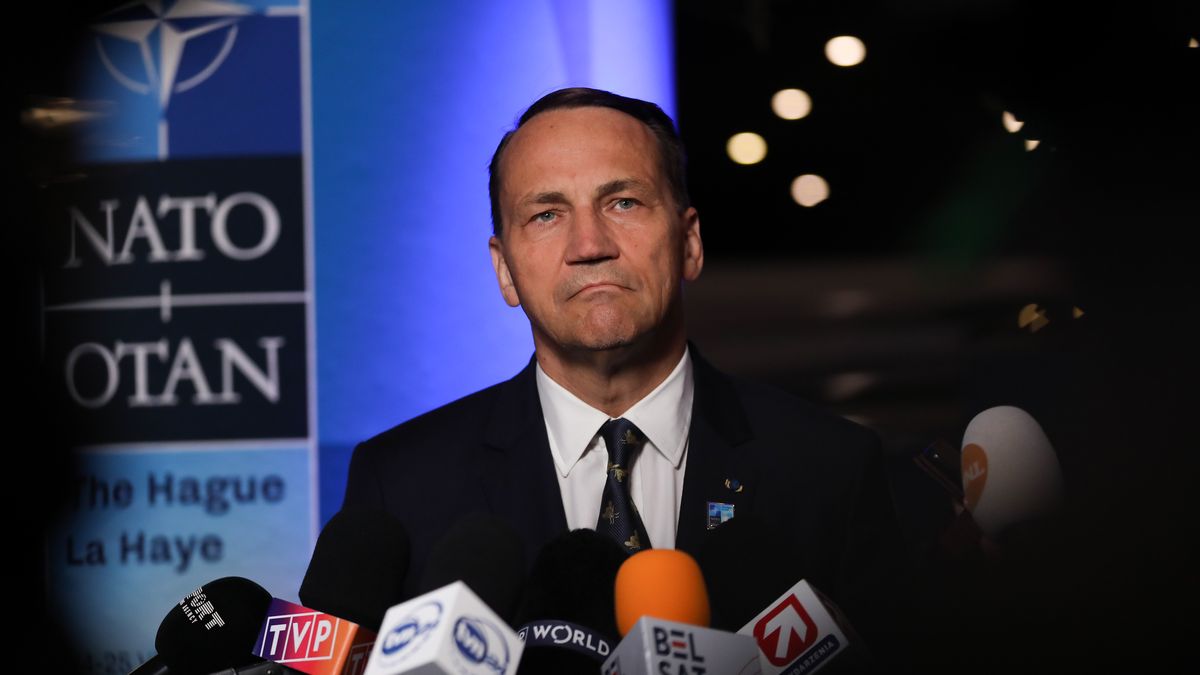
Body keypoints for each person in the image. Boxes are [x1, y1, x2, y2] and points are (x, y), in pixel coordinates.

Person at [340, 88, 907, 655]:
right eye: (546, 214)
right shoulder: (400, 485)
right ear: (505, 271)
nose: (589, 245)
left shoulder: (832, 470)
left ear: (689, 242)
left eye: (623, 203)